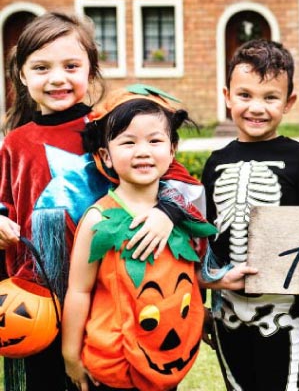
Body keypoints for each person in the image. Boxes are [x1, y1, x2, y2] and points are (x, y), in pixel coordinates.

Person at [0, 12, 202, 390]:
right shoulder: (15, 144)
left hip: (114, 293)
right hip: (41, 301)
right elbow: (6, 203)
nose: (57, 78)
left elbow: (181, 183)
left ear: (91, 71)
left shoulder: (111, 128)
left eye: (71, 66)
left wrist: (167, 212)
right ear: (23, 76)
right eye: (41, 67)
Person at [62, 95, 256, 391]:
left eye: (154, 141)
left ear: (172, 150)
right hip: (115, 362)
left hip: (166, 354)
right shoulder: (97, 219)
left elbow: (180, 274)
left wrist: (220, 281)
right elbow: (79, 289)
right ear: (106, 155)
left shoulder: (180, 214)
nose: (142, 152)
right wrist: (70, 354)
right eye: (128, 143)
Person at [202, 39, 299, 391]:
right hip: (225, 308)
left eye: (270, 98)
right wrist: (199, 300)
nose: (256, 107)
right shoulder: (215, 163)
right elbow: (202, 238)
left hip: (282, 310)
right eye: (245, 96)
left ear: (288, 103)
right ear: (227, 96)